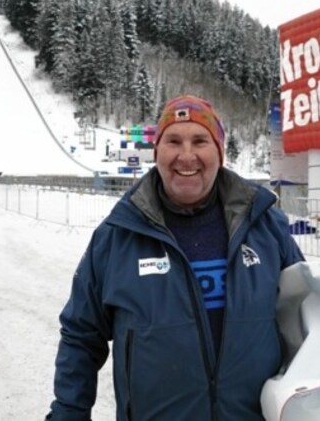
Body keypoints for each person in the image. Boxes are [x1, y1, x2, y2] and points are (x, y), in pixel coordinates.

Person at [47, 95, 305, 420]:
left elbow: (307, 319)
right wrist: (69, 412)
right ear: (157, 152)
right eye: (173, 141)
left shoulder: (266, 226)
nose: (186, 156)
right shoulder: (117, 237)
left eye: (200, 141)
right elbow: (81, 337)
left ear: (219, 153)